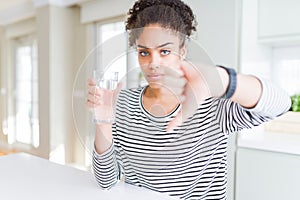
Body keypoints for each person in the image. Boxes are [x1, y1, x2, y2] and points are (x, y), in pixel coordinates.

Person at [86, 0, 291, 199]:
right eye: (144, 52)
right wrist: (104, 122)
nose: (153, 63)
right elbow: (107, 181)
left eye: (164, 51)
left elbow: (281, 104)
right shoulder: (122, 103)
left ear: (182, 51)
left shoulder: (213, 105)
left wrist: (222, 79)